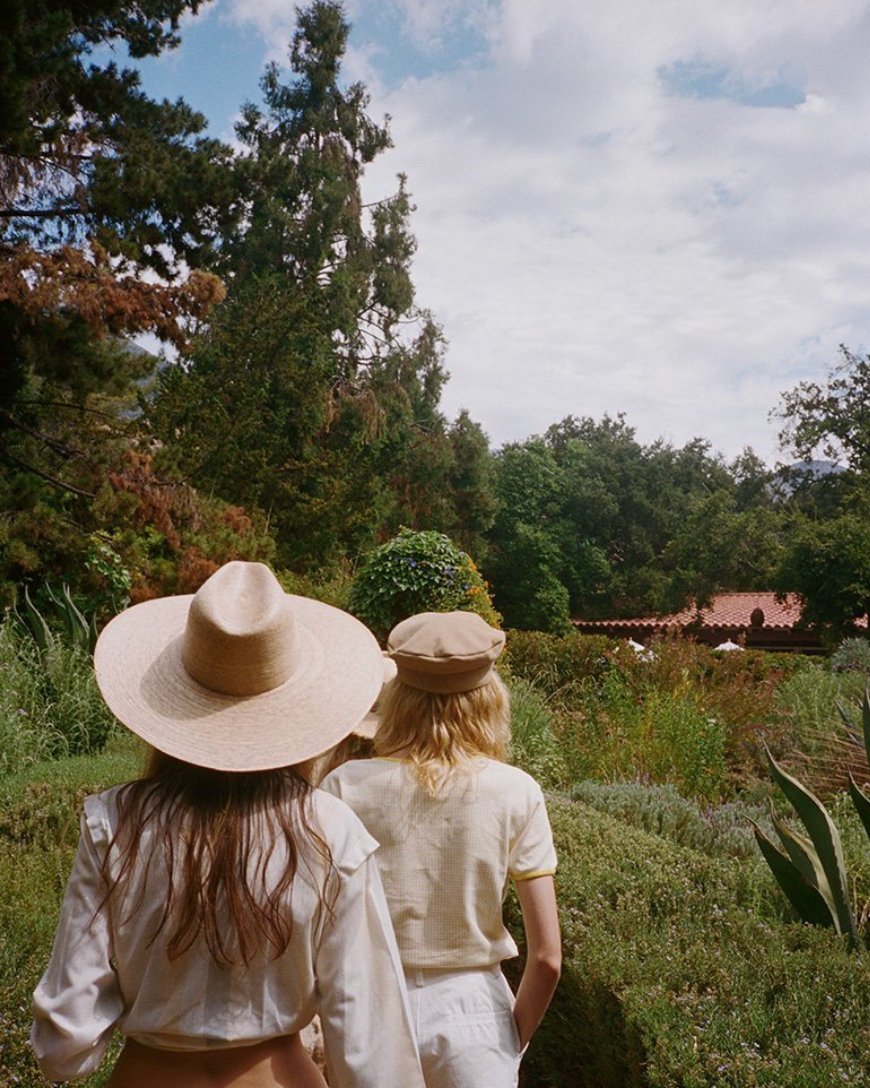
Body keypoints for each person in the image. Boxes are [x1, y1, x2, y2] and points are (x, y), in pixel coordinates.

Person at [30, 561, 426, 1088]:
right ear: (293, 705)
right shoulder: (333, 831)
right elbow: (371, 1040)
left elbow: (64, 1045)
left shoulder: (114, 824)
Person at [321, 610, 562, 1088]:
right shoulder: (516, 791)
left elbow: (316, 925)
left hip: (368, 1005)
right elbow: (547, 958)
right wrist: (511, 1039)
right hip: (472, 1011)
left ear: (399, 697)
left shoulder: (343, 787)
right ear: (490, 699)